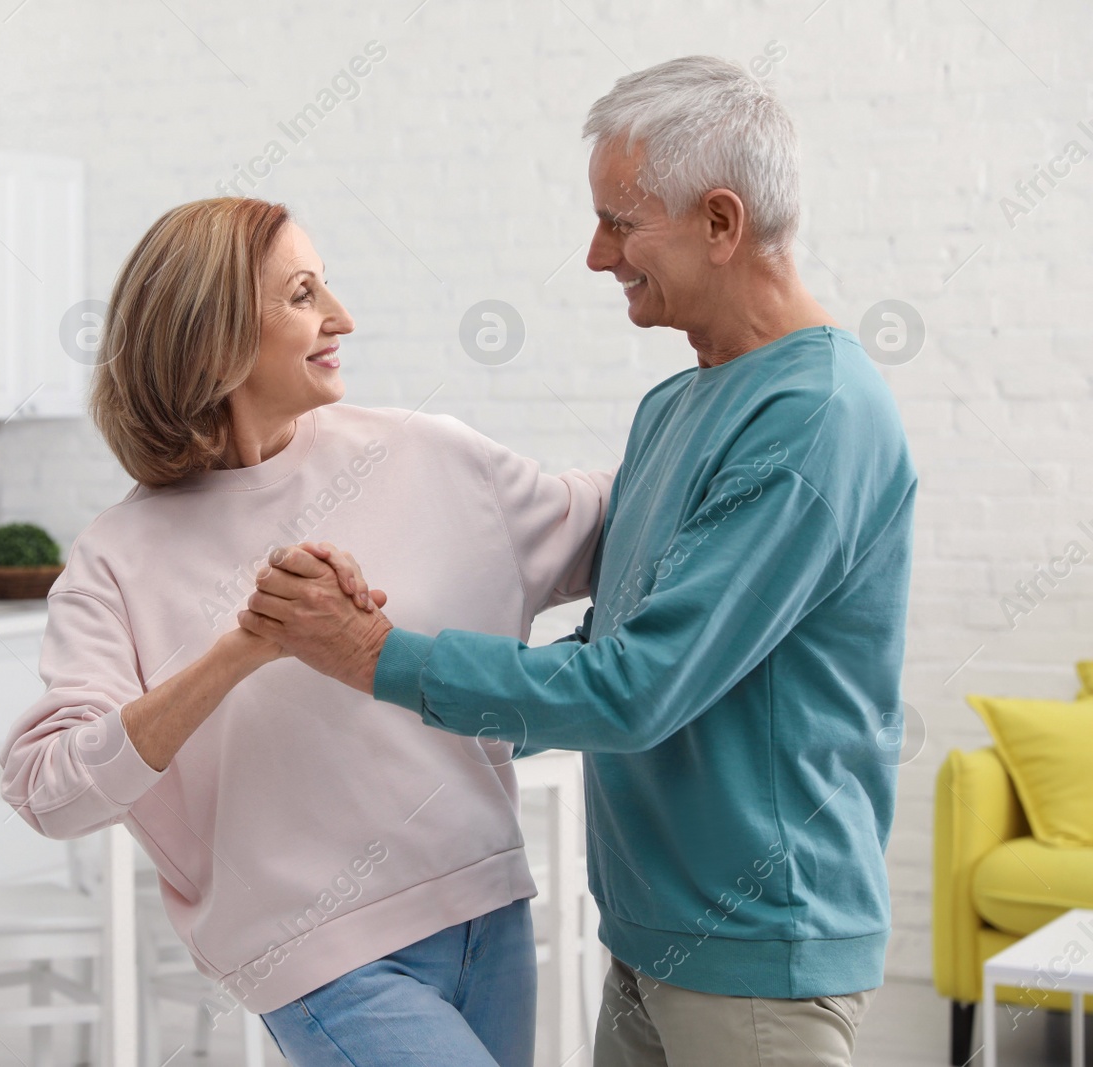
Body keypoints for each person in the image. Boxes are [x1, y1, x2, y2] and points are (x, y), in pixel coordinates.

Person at [242, 56, 917, 1067]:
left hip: (754, 951)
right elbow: (605, 647)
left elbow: (633, 689)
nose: (597, 255)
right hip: (653, 940)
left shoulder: (811, 418)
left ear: (721, 222)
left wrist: (375, 655)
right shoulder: (677, 403)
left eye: (620, 221)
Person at [0, 196, 613, 1065]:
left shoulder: (425, 452)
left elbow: (604, 519)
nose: (341, 318)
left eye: (327, 286)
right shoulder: (116, 558)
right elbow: (49, 792)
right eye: (301, 294)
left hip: (489, 908)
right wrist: (244, 648)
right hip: (324, 960)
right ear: (211, 336)